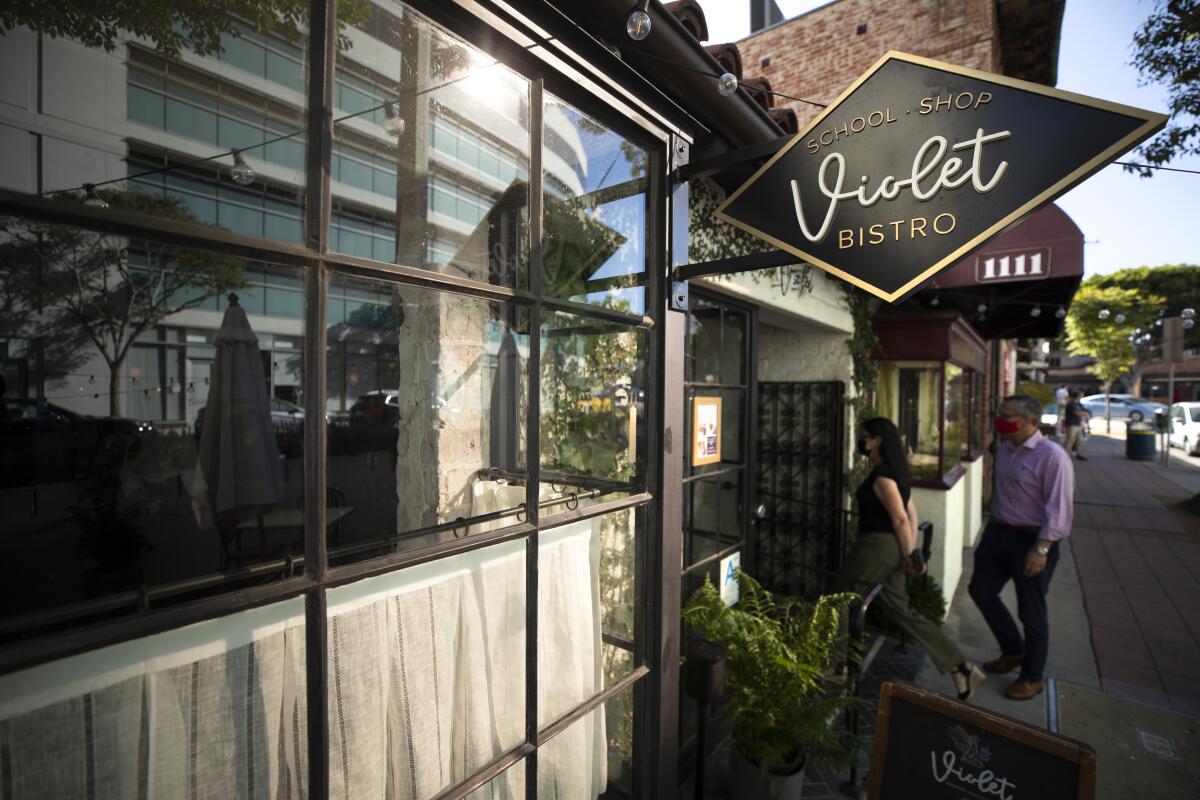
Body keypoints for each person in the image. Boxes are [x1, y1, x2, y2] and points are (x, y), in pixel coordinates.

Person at [835, 417, 986, 702]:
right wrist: (909, 552)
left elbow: (902, 519)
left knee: (840, 598)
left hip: (877, 546)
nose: (861, 442)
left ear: (877, 440)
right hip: (891, 548)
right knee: (901, 610)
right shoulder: (894, 472)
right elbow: (912, 514)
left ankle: (841, 664)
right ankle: (960, 666)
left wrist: (909, 555)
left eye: (865, 437)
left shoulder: (882, 476)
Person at [969, 395, 1074, 701]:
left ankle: (1032, 676)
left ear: (1030, 421)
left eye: (1006, 416)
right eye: (998, 413)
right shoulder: (1004, 449)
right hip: (998, 533)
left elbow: (1059, 509)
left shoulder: (1052, 457)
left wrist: (1041, 549)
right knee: (981, 590)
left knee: (1031, 610)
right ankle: (1013, 650)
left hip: (1032, 540)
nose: (999, 419)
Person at [1062, 390, 1089, 460]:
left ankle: (1079, 454)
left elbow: (1086, 410)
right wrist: (1084, 413)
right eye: (1081, 396)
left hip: (1078, 424)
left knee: (1080, 440)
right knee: (1070, 440)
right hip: (1071, 424)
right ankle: (1063, 455)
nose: (1082, 397)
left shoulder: (1079, 404)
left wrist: (1087, 413)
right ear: (1077, 396)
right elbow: (1076, 412)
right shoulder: (1071, 404)